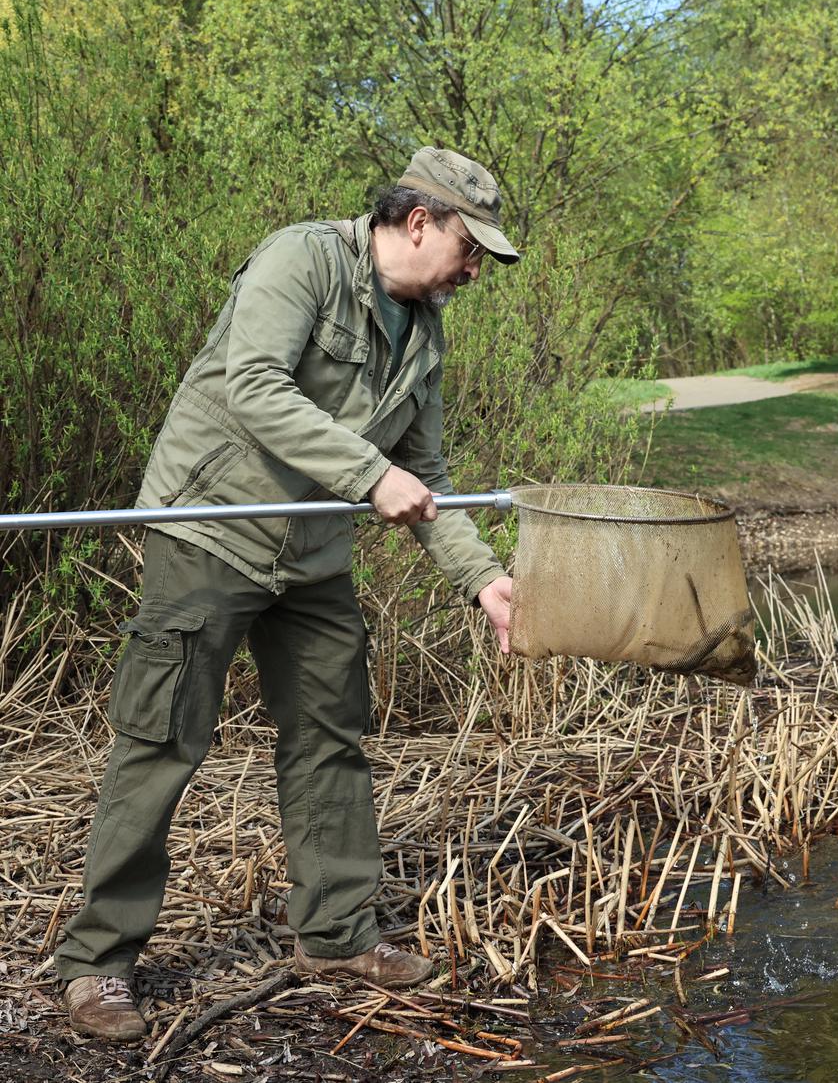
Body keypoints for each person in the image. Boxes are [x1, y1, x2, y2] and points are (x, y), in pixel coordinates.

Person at [53, 147, 520, 1041]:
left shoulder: (425, 335)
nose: (473, 270)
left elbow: (426, 478)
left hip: (312, 560)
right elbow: (255, 387)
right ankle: (99, 965)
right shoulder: (299, 259)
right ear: (418, 221)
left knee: (330, 737)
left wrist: (484, 578)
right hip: (210, 534)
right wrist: (367, 472)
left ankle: (337, 934)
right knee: (160, 743)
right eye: (469, 247)